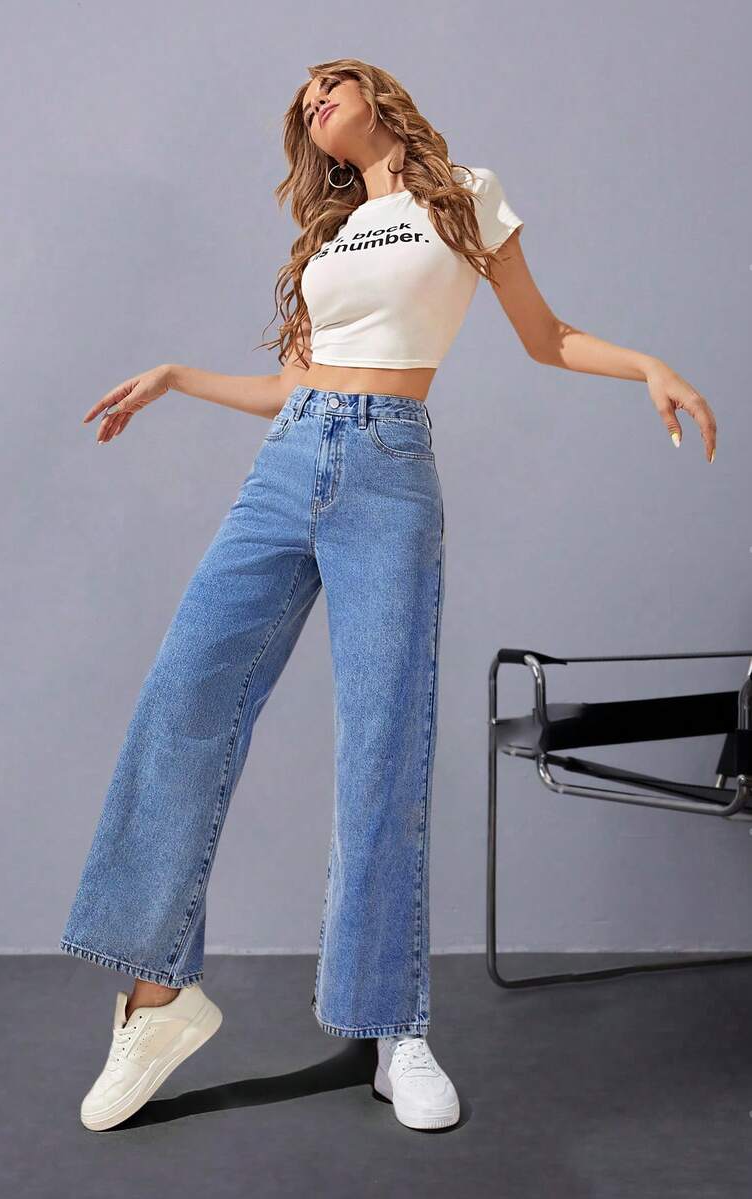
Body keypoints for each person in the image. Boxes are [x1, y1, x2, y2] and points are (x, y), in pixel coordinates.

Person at [59, 58, 717, 1134]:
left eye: (328, 84)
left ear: (376, 93)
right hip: (289, 461)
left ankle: (390, 1026)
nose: (312, 102)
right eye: (302, 105)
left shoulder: (465, 197)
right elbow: (291, 383)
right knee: (184, 696)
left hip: (389, 471)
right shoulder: (328, 235)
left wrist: (646, 363)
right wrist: (177, 376)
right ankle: (155, 999)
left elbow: (544, 336)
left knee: (383, 744)